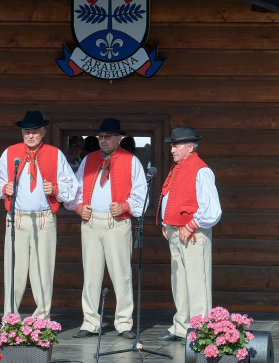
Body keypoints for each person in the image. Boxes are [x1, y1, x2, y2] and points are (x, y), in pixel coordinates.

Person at [0, 111, 78, 318]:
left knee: (43, 270)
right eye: (27, 131)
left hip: (44, 218)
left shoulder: (55, 154)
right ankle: (10, 317)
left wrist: (55, 189)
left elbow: (71, 186)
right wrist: (3, 188)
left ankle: (41, 319)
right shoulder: (11, 152)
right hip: (16, 218)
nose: (30, 136)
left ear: (43, 132)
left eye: (34, 132)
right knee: (14, 270)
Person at [65, 118, 147, 339]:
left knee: (121, 275)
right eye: (101, 137)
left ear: (118, 138)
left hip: (116, 223)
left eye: (108, 137)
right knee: (90, 275)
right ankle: (90, 321)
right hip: (91, 223)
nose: (103, 140)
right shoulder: (89, 160)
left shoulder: (131, 161)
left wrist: (125, 206)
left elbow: (141, 194)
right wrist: (79, 207)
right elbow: (75, 190)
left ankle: (123, 323)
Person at [157, 127, 222, 344]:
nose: (172, 150)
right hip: (176, 232)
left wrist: (190, 225)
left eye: (176, 145)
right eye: (172, 145)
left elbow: (212, 210)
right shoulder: (178, 168)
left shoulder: (201, 170)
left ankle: (200, 330)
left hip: (192, 233)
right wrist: (167, 223)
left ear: (190, 147)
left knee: (197, 283)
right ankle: (181, 327)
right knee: (180, 283)